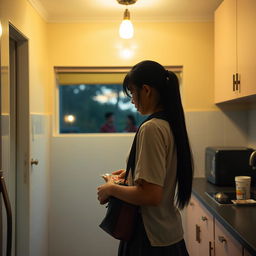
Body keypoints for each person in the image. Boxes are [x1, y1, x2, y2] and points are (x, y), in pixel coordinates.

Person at [97, 60, 193, 255]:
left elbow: (151, 195)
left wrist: (111, 188)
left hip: (148, 239)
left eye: (132, 92)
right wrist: (131, 174)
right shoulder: (170, 123)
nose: (132, 100)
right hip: (168, 233)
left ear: (146, 90)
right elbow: (162, 174)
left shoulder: (151, 128)